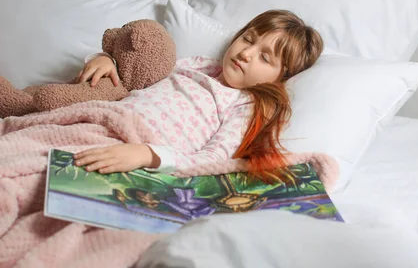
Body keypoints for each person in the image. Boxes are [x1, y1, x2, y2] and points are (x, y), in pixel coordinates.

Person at [73, 10, 323, 176]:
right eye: (247, 39)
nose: (246, 53)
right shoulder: (199, 64)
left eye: (265, 57)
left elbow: (214, 161)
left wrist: (147, 154)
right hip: (102, 121)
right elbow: (136, 75)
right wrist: (106, 60)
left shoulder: (246, 105)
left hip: (137, 152)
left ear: (281, 77)